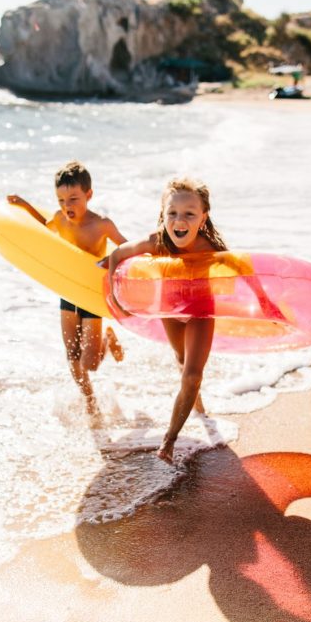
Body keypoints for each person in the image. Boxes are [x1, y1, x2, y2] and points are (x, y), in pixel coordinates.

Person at [103, 177, 228, 463]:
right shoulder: (156, 242)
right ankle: (197, 404)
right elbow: (118, 255)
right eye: (172, 213)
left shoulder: (210, 247)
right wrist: (117, 299)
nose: (179, 220)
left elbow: (245, 274)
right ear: (163, 215)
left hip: (200, 312)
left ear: (203, 218)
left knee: (193, 374)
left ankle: (169, 440)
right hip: (171, 310)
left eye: (189, 214)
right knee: (182, 361)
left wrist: (266, 306)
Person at [7, 161, 126, 415]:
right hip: (69, 290)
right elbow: (41, 226)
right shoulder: (60, 219)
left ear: (89, 195)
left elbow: (126, 248)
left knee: (90, 361)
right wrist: (25, 205)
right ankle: (90, 401)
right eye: (61, 200)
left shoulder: (101, 224)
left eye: (73, 198)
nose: (67, 206)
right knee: (71, 351)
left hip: (91, 292)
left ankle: (107, 338)